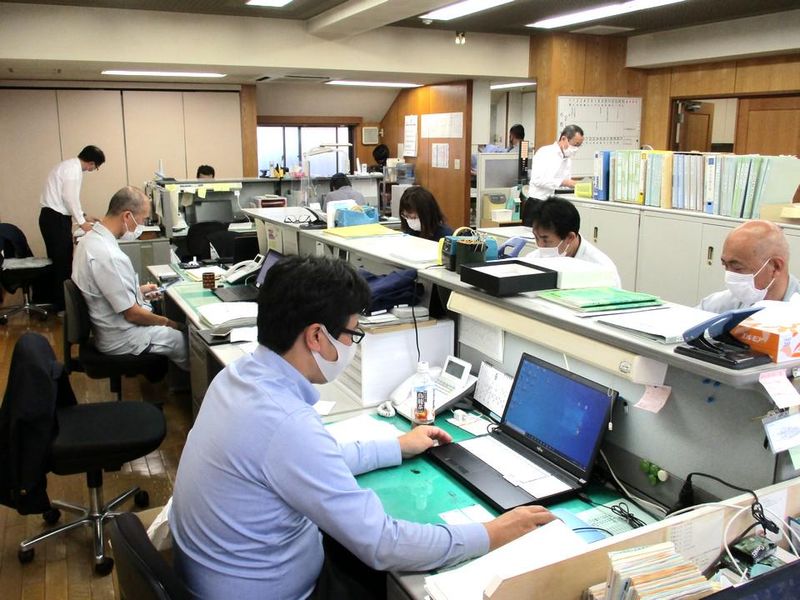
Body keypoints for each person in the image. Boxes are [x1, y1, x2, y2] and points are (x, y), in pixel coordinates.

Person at [169, 255, 554, 599]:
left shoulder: (240, 377)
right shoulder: (286, 425)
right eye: (353, 334)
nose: (354, 345)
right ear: (316, 336)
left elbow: (313, 462)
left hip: (221, 577)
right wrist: (492, 533)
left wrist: (396, 446)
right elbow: (383, 544)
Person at [72, 186, 189, 370]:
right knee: (182, 339)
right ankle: (199, 386)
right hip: (121, 338)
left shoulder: (88, 241)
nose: (141, 226)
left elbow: (103, 290)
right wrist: (169, 323)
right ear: (127, 216)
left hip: (106, 329)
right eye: (142, 219)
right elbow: (133, 314)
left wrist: (138, 291)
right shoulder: (109, 255)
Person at [38, 144, 105, 311]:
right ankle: (62, 306)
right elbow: (69, 198)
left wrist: (84, 215)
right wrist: (83, 223)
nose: (93, 169)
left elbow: (68, 200)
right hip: (55, 219)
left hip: (51, 217)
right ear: (91, 163)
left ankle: (60, 302)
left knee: (60, 260)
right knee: (62, 262)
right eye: (96, 167)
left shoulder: (68, 166)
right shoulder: (73, 171)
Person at [698, 220, 798, 313]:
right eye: (725, 265)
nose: (730, 277)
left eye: (738, 268)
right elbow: (695, 316)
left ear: (775, 267)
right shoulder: (731, 301)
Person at [523, 196, 621, 287]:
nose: (540, 245)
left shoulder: (601, 269)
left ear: (570, 237)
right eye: (536, 238)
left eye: (546, 240)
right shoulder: (533, 259)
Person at [523, 124, 584, 226]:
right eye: (575, 144)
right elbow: (537, 180)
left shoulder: (567, 159)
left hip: (555, 205)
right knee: (533, 234)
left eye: (579, 146)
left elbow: (565, 183)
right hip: (537, 203)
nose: (576, 149)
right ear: (564, 139)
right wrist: (563, 182)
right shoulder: (545, 152)